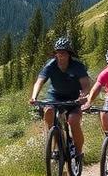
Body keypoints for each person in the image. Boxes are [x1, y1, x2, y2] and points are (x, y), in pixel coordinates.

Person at [29, 36, 91, 164]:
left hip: (74, 99)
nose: (61, 54)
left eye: (64, 52)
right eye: (58, 52)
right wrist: (34, 97)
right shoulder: (50, 65)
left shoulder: (77, 66)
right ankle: (56, 143)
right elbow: (39, 81)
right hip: (55, 96)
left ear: (69, 54)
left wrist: (83, 96)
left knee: (73, 121)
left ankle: (78, 153)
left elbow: (85, 84)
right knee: (48, 113)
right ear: (55, 53)